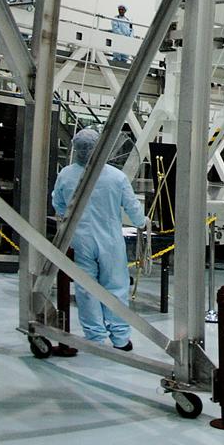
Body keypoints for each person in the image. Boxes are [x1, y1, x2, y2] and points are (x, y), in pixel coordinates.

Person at [51, 128, 146, 350]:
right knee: (116, 287)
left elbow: (59, 205)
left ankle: (95, 336)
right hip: (110, 240)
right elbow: (133, 208)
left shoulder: (65, 174)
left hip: (80, 239)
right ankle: (120, 338)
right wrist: (142, 223)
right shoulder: (117, 176)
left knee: (86, 289)